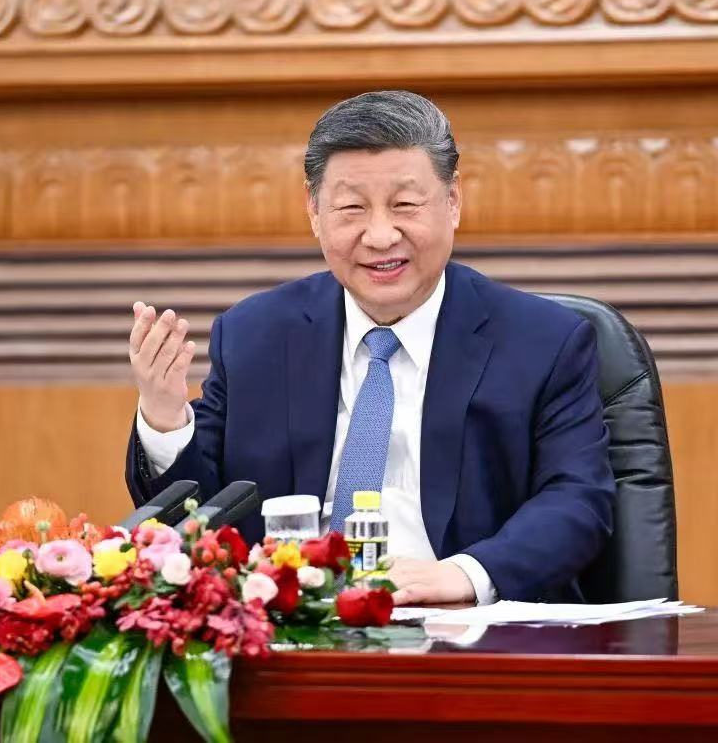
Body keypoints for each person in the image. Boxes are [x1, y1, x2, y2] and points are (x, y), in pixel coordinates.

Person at [125, 90, 614, 606]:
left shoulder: (544, 341)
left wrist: (464, 575)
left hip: (465, 623)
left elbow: (577, 500)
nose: (381, 236)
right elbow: (199, 519)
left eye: (405, 205)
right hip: (296, 625)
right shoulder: (255, 335)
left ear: (453, 202)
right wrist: (165, 419)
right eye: (351, 208)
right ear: (314, 212)